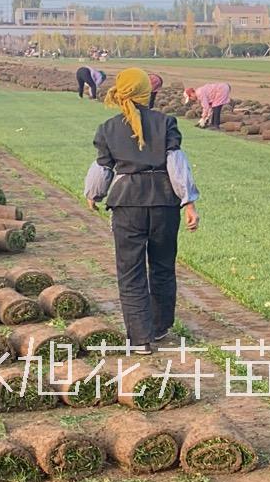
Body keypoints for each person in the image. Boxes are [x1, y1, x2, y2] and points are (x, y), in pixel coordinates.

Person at [84, 66, 199, 350]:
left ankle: (140, 337)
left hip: (127, 205)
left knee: (130, 271)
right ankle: (160, 327)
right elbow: (176, 164)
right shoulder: (165, 123)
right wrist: (189, 202)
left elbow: (103, 167)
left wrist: (93, 194)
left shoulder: (109, 128)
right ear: (146, 93)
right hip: (164, 204)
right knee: (162, 266)